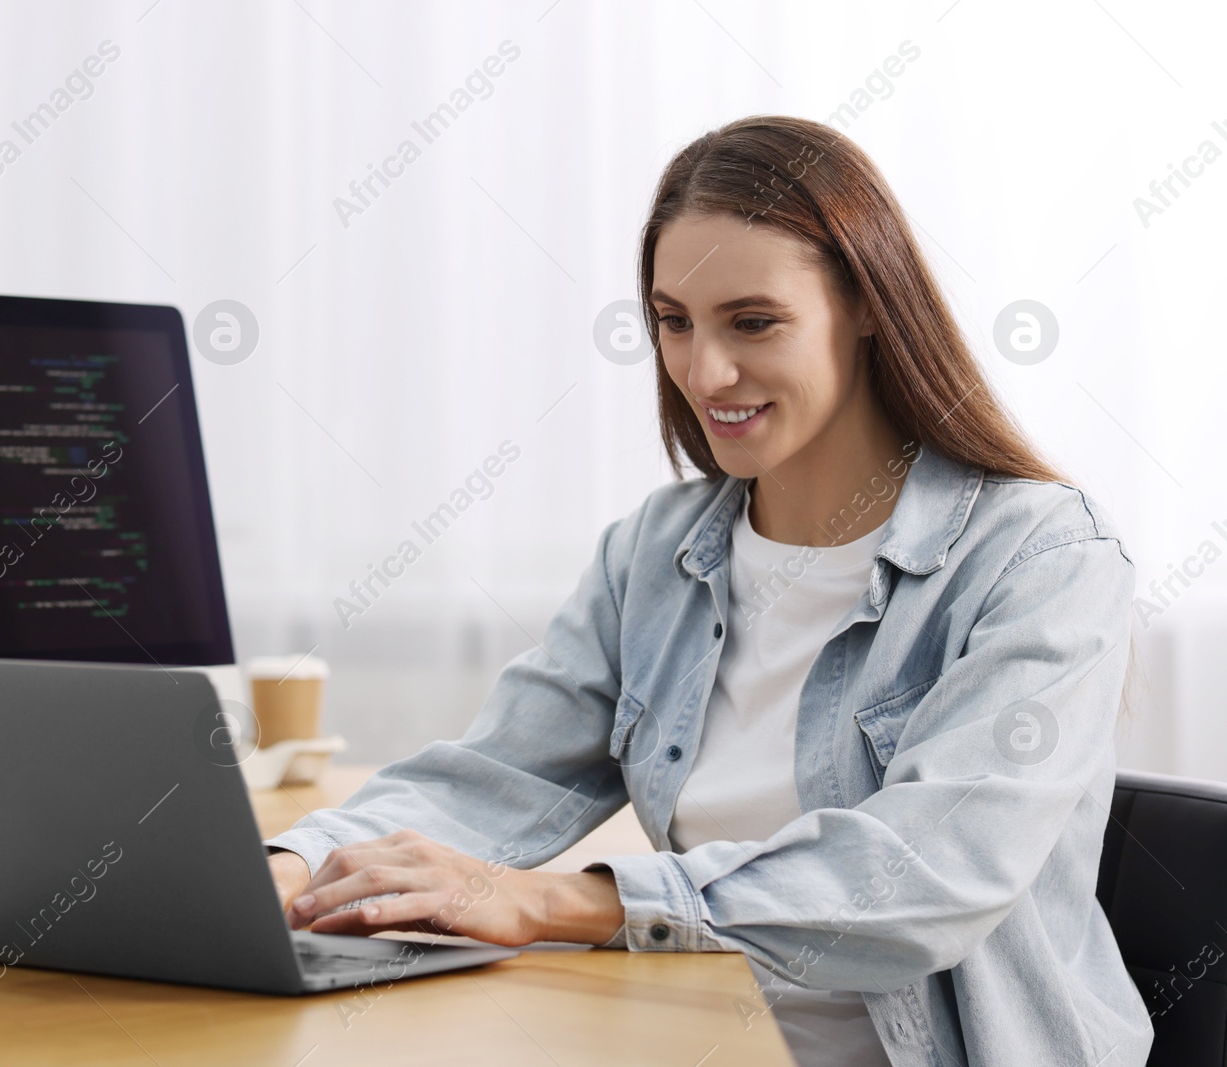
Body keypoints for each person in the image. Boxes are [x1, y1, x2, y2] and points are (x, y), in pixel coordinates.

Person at [262, 114, 1152, 1067]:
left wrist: (551, 900)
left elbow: (924, 875)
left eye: (752, 322)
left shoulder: (1041, 558)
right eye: (673, 322)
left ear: (867, 304)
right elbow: (498, 777)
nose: (703, 371)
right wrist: (287, 870)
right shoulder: (657, 552)